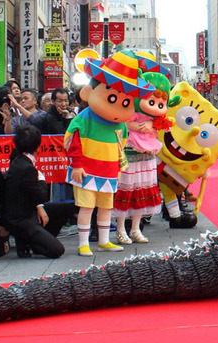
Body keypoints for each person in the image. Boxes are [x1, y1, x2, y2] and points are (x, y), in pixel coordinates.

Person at [64, 50, 155, 256]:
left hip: (108, 171)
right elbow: (73, 141)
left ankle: (104, 240)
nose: (119, 106)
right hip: (86, 169)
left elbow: (120, 148)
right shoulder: (85, 117)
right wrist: (77, 164)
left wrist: (119, 168)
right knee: (86, 207)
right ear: (88, 93)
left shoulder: (120, 125)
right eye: (112, 97)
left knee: (106, 207)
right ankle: (83, 243)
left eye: (125, 102)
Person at [112, 72, 169, 244]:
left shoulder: (157, 118)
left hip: (147, 156)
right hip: (129, 153)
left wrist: (153, 125)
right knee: (127, 188)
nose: (155, 106)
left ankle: (135, 228)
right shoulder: (128, 108)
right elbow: (119, 120)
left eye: (160, 103)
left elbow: (165, 125)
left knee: (142, 190)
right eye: (152, 101)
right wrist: (133, 125)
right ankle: (121, 228)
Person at [4, 125, 74, 258]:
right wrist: (41, 179)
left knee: (66, 208)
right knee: (57, 251)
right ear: (37, 145)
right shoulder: (26, 167)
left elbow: (35, 196)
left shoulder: (20, 161)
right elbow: (41, 195)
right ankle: (32, 242)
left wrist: (39, 206)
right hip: (22, 219)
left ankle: (40, 239)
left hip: (28, 209)